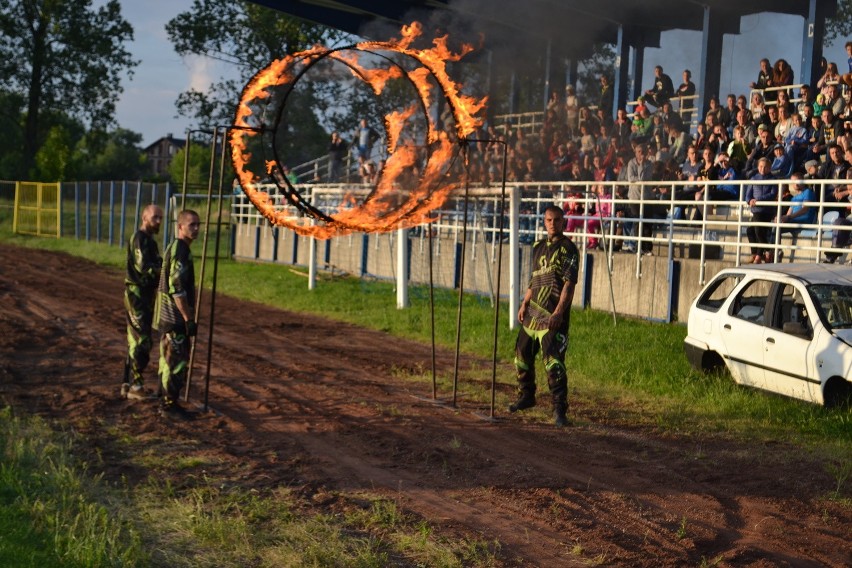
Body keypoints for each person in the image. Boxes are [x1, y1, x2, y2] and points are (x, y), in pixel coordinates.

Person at [509, 206, 579, 427]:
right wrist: (524, 303)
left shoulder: (568, 248)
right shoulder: (538, 247)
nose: (552, 223)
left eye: (557, 220)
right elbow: (534, 280)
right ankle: (526, 396)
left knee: (553, 363)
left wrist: (559, 312)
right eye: (549, 220)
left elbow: (569, 283)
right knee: (521, 354)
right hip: (533, 314)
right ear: (544, 221)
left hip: (551, 316)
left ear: (563, 221)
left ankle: (559, 410)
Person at [155, 210, 201, 419]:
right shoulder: (180, 250)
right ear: (180, 227)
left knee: (167, 362)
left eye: (198, 224)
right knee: (176, 362)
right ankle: (168, 406)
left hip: (167, 317)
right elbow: (177, 288)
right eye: (191, 225)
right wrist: (188, 318)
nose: (196, 228)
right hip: (174, 318)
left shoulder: (176, 248)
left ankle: (165, 401)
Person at [122, 204, 163, 400]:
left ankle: (129, 384)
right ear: (144, 218)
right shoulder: (140, 238)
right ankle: (135, 386)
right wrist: (164, 271)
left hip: (147, 295)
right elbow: (144, 267)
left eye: (161, 218)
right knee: (141, 340)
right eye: (155, 217)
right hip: (137, 295)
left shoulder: (150, 241)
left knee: (138, 339)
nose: (158, 221)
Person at [770, 173, 817, 262]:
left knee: (776, 227)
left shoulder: (808, 192)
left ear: (803, 180)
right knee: (774, 224)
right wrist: (781, 218)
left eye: (798, 181)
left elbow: (805, 209)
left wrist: (789, 217)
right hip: (794, 221)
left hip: (804, 221)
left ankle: (775, 252)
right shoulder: (794, 198)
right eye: (793, 182)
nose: (796, 184)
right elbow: (788, 213)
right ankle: (775, 252)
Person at [745, 158, 779, 264]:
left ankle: (759, 256)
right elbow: (748, 195)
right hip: (756, 210)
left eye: (765, 167)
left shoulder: (773, 179)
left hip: (767, 210)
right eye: (760, 166)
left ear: (769, 168)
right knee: (751, 230)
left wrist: (759, 200)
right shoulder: (754, 178)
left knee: (758, 230)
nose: (763, 169)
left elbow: (772, 194)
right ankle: (761, 252)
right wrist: (749, 200)